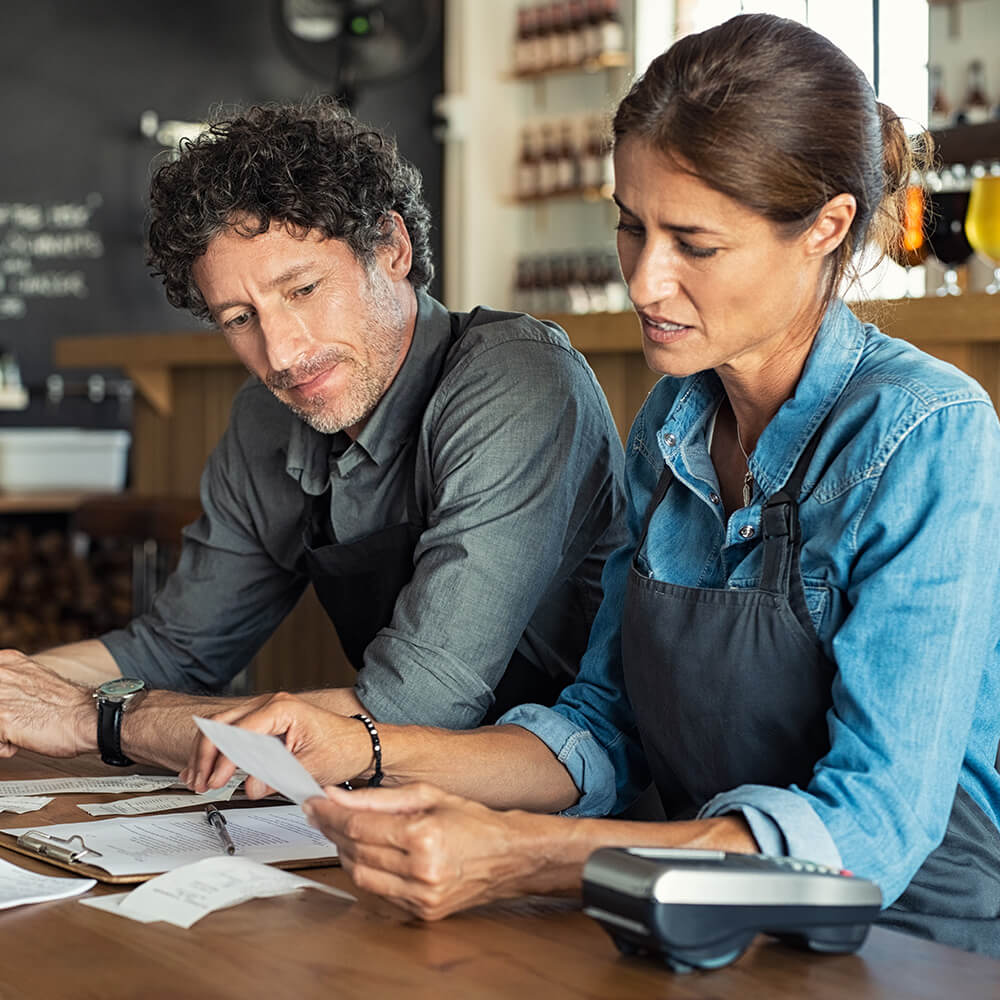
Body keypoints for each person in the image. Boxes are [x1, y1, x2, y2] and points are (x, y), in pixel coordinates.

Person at [184, 15, 1000, 955]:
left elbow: (870, 835)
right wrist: (365, 749)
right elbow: (605, 730)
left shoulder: (929, 435)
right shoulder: (672, 423)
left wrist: (529, 857)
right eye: (630, 225)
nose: (646, 282)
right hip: (689, 922)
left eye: (694, 243)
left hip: (906, 949)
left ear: (827, 227)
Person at [0, 99, 626, 769]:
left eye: (301, 289)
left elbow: (412, 707)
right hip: (396, 806)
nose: (282, 353)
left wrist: (95, 719)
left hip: (580, 816)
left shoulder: (516, 381)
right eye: (239, 318)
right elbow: (177, 649)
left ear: (391, 248)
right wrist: (18, 689)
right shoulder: (266, 417)